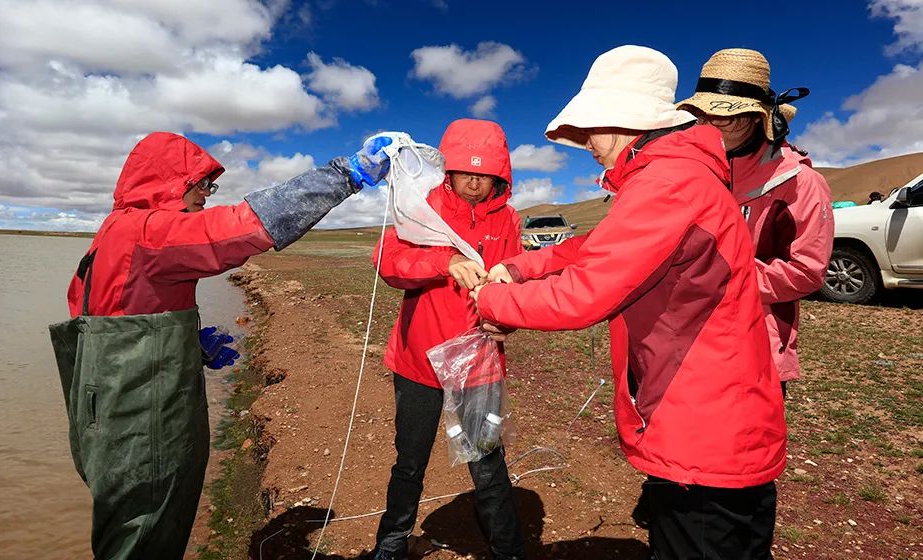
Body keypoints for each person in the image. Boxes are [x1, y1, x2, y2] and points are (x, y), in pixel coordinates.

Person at [474, 46, 786, 559]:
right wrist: (523, 266)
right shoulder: (677, 175)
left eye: (590, 129)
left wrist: (492, 301)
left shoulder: (667, 182)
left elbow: (585, 294)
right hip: (720, 415)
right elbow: (598, 248)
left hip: (702, 427)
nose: (588, 145)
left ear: (618, 119)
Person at [49, 131, 394, 560]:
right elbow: (241, 229)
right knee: (141, 532)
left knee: (132, 521)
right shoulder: (148, 230)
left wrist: (185, 344)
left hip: (107, 414)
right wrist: (346, 174)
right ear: (171, 184)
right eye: (201, 186)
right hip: (138, 421)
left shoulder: (112, 233)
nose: (206, 197)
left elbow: (110, 315)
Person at [369, 119, 526, 560]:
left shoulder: (508, 219)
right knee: (410, 460)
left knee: (487, 462)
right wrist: (446, 260)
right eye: (466, 171)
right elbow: (390, 261)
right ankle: (392, 541)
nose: (475, 182)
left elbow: (513, 278)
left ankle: (508, 549)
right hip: (418, 361)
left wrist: (506, 323)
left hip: (478, 360)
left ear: (500, 174)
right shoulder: (419, 205)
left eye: (485, 173)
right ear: (448, 170)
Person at [677, 48, 834, 399]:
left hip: (756, 348)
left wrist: (718, 279)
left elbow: (806, 271)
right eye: (702, 115)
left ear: (756, 117)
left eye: (723, 116)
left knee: (747, 451)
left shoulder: (799, 183)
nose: (708, 126)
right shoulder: (694, 174)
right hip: (685, 345)